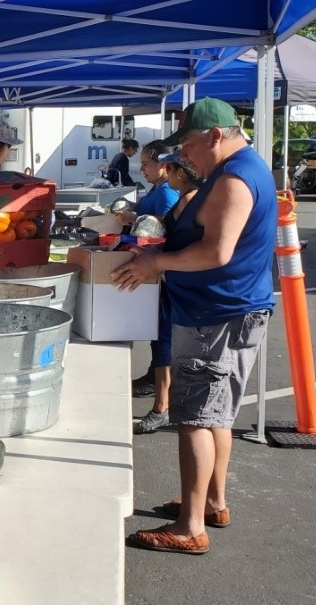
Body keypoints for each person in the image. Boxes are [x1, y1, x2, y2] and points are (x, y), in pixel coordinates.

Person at [114, 98, 276, 554]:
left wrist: (156, 262)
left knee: (195, 420)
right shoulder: (240, 169)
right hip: (226, 310)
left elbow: (216, 253)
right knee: (216, 415)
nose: (184, 154)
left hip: (216, 315)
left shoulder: (235, 178)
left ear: (215, 136)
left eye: (188, 143)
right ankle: (211, 502)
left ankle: (190, 527)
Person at [133, 148, 201, 435]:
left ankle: (162, 408)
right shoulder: (186, 200)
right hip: (171, 280)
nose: (164, 172)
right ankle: (164, 403)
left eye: (169, 168)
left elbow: (185, 245)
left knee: (165, 343)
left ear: (180, 174)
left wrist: (156, 253)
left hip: (178, 284)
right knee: (160, 341)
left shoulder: (189, 201)